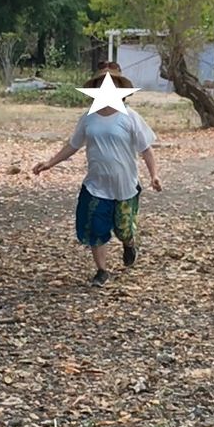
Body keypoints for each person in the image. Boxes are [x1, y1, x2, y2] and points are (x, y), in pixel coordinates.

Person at [33, 66, 162, 286]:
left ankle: (129, 244)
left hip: (125, 186)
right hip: (96, 185)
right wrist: (49, 163)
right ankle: (101, 271)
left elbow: (146, 149)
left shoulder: (130, 117)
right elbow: (72, 145)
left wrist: (154, 176)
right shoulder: (88, 118)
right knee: (96, 227)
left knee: (123, 228)